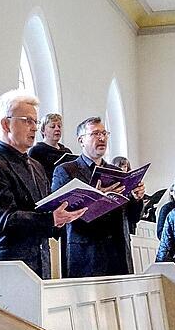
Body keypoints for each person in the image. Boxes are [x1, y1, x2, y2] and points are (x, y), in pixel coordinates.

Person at [0, 90, 86, 279]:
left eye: (35, 121)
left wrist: (65, 214)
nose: (34, 128)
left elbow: (43, 212)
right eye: (27, 120)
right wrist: (51, 219)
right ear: (5, 124)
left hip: (40, 261)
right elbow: (3, 221)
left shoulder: (36, 166)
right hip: (9, 265)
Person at [52, 116, 144, 277]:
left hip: (117, 252)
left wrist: (137, 199)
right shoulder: (66, 171)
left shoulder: (117, 173)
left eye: (104, 133)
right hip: (86, 254)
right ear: (81, 140)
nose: (101, 138)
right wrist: (96, 197)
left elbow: (132, 217)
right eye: (95, 133)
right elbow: (61, 213)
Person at [28, 113, 73, 182]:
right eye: (52, 126)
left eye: (59, 126)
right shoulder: (36, 151)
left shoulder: (67, 151)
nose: (57, 129)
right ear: (43, 130)